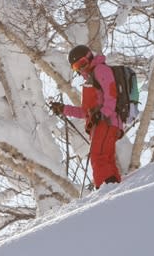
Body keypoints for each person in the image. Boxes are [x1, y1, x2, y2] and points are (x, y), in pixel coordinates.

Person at [49, 45, 123, 189]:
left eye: (82, 63)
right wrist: (64, 109)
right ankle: (114, 186)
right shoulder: (90, 81)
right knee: (106, 158)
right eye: (77, 67)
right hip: (101, 123)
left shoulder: (101, 70)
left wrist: (102, 114)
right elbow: (85, 112)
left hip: (107, 121)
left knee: (98, 156)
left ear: (89, 57)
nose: (81, 69)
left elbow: (111, 94)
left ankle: (107, 189)